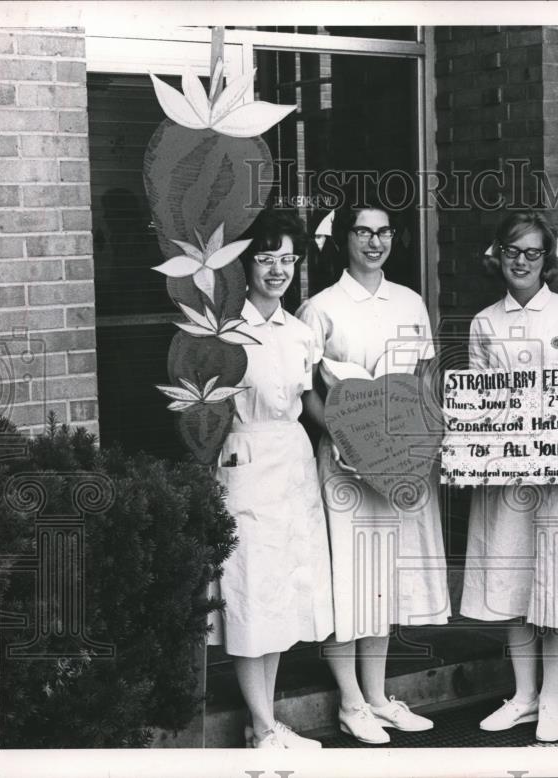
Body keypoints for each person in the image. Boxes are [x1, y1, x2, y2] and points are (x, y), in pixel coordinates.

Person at [298, 190, 450, 745]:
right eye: (364, 232)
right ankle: (350, 701)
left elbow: (426, 377)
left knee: (381, 580)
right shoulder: (319, 307)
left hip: (397, 465)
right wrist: (343, 435)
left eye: (384, 232)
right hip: (343, 464)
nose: (375, 242)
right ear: (344, 240)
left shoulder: (410, 302)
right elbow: (305, 389)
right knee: (349, 581)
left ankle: (380, 696)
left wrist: (417, 438)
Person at [459, 210, 558, 743]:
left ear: (547, 260)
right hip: (506, 477)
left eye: (532, 253)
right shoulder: (483, 323)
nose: (521, 262)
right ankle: (521, 695)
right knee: (516, 583)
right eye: (512, 251)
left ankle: (551, 698)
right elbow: (477, 402)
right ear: (498, 255)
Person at [215, 209, 334, 749]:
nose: (278, 269)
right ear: (246, 261)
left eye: (288, 259)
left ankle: (263, 722)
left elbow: (310, 402)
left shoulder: (300, 331)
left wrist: (357, 438)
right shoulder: (221, 330)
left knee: (282, 592)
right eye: (266, 258)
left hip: (293, 461)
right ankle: (262, 726)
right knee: (249, 591)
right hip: (243, 459)